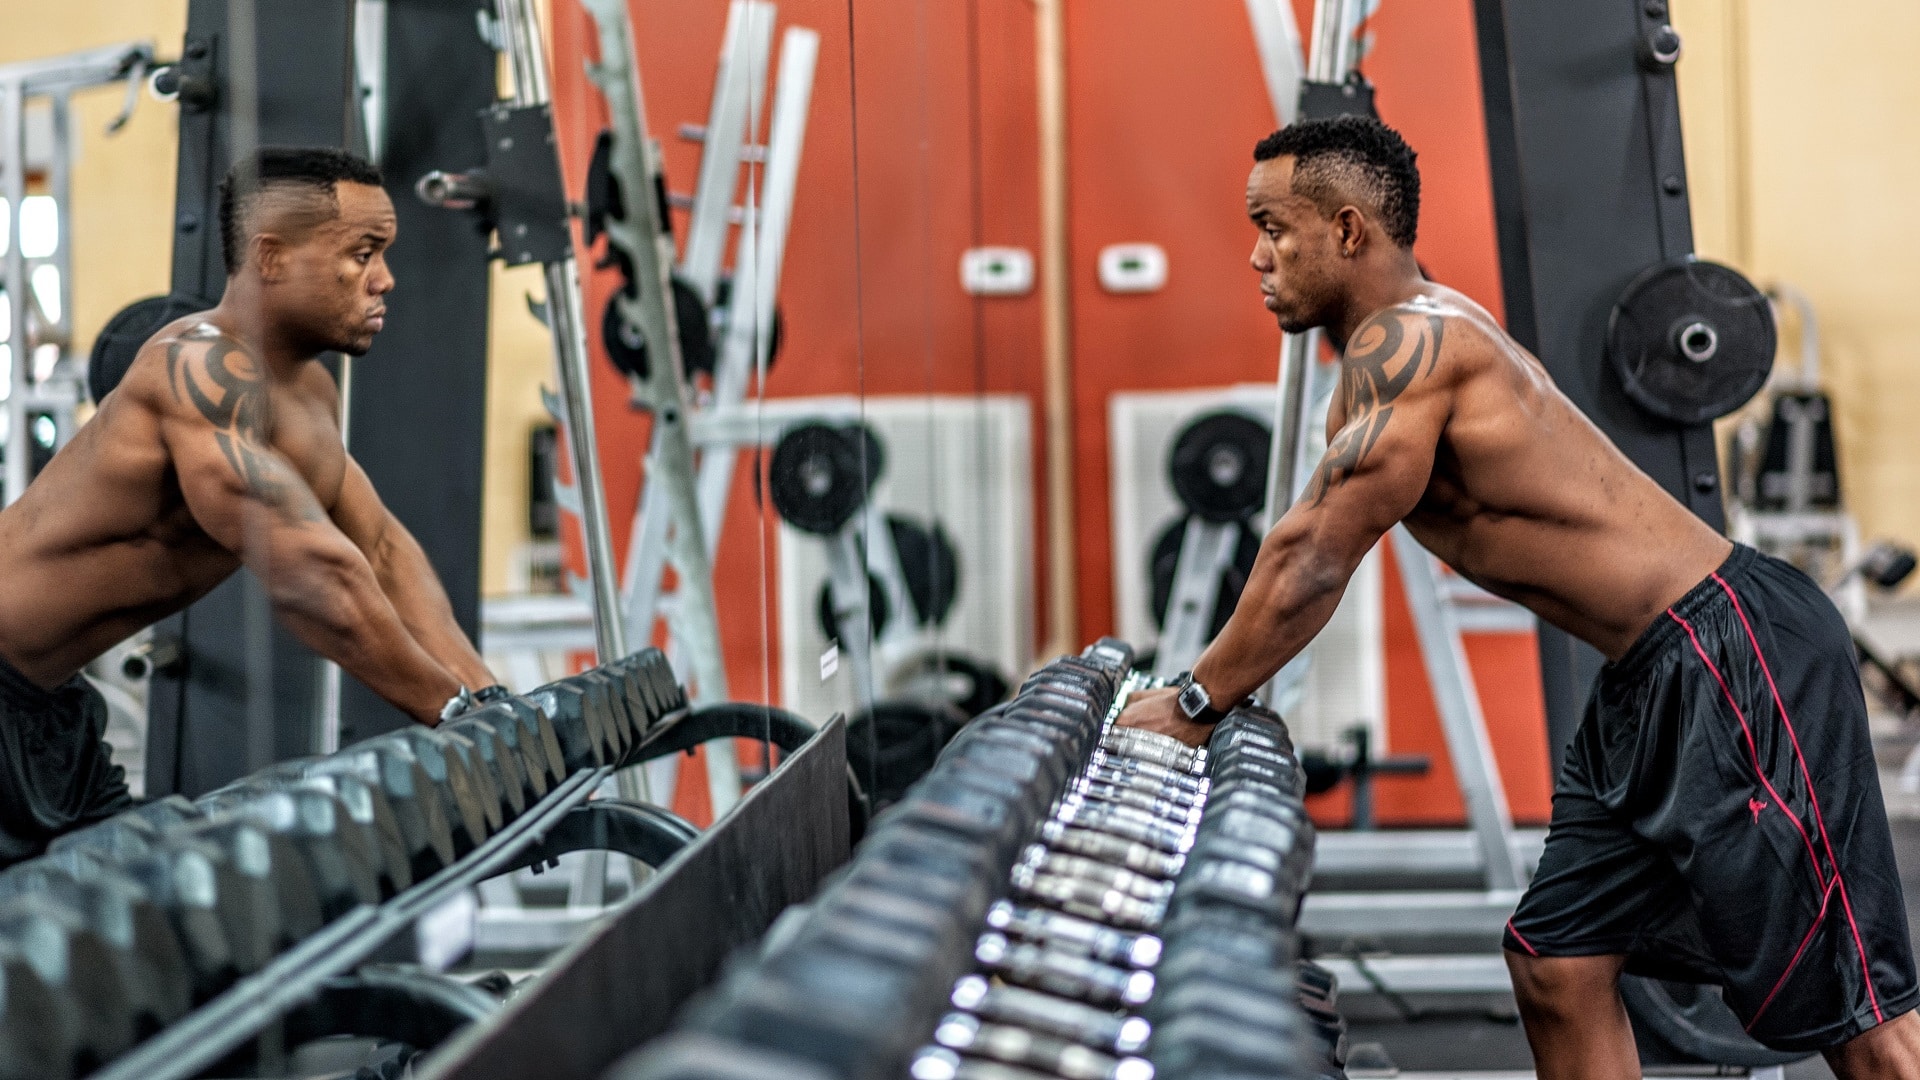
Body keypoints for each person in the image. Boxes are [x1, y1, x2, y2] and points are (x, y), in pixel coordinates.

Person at [1115, 115, 1920, 1076]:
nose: (1256, 255)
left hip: (1733, 652)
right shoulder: (1401, 348)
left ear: (1346, 230)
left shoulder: (1411, 346)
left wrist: (1196, 704)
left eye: (1273, 227)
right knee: (1558, 961)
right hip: (1648, 678)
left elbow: (1313, 557)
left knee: (1864, 1022)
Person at [0, 146, 503, 866]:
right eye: (362, 254)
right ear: (271, 258)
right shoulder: (197, 367)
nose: (385, 279)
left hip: (50, 711)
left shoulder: (308, 397)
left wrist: (491, 705)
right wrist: (450, 713)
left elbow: (382, 552)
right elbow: (311, 576)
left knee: (153, 930)